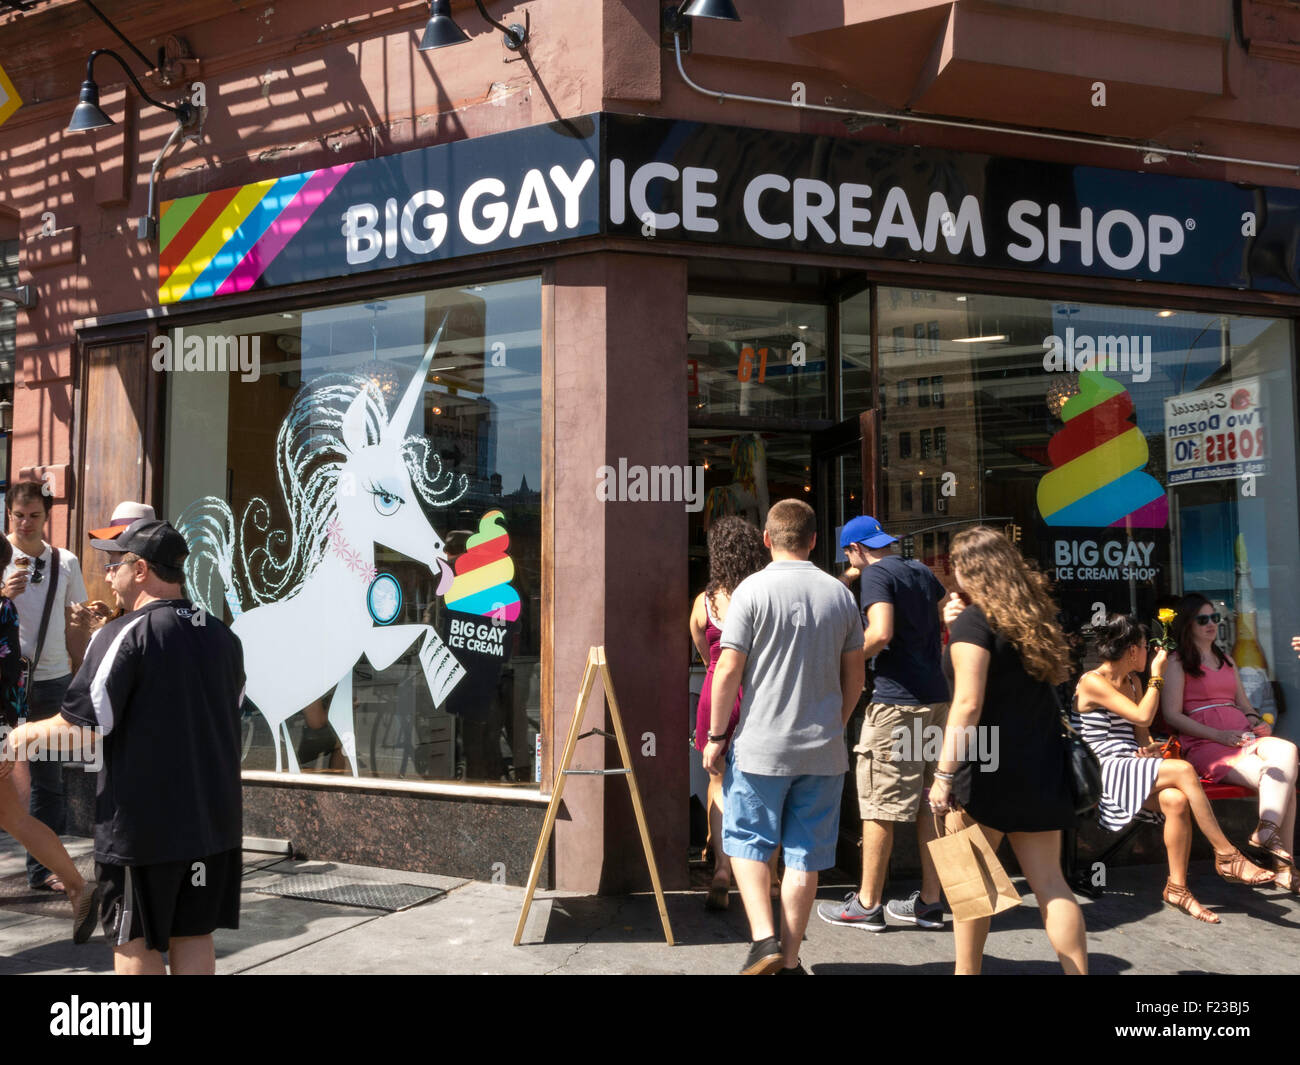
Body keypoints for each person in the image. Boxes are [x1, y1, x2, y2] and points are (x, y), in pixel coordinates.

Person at [8, 517, 245, 974]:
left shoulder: (122, 634)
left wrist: (21, 736)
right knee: (193, 933)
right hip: (212, 821)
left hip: (143, 828)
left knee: (132, 939)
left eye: (114, 563)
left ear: (140, 570)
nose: (108, 574)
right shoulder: (223, 637)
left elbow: (83, 728)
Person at [703, 499, 864, 975]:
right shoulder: (840, 595)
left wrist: (716, 735)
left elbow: (728, 667)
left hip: (761, 748)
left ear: (768, 540)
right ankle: (791, 958)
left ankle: (763, 940)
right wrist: (838, 720)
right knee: (804, 856)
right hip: (823, 750)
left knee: (749, 842)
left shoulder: (750, 591)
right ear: (814, 540)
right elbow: (855, 674)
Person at [929, 526, 1087, 975]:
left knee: (970, 885)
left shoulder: (974, 623)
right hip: (1039, 763)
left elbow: (968, 701)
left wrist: (943, 775)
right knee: (1052, 886)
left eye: (954, 564)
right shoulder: (1031, 618)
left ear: (968, 569)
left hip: (983, 768)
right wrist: (953, 625)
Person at [1076, 614, 1274, 923]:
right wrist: (1158, 675)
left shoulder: (1133, 681)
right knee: (1182, 770)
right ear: (1131, 650)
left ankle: (1177, 887)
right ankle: (1227, 855)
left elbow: (1141, 734)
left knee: (1176, 800)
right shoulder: (1093, 681)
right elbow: (1142, 717)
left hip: (1130, 762)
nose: (1152, 653)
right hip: (1103, 769)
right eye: (1145, 647)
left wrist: (1151, 748)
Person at [819, 515, 950, 934]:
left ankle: (867, 903)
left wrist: (843, 659)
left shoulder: (876, 577)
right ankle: (930, 903)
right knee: (931, 803)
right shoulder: (918, 571)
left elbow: (880, 632)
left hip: (896, 705)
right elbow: (943, 616)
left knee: (878, 806)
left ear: (855, 550)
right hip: (935, 699)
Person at [1161, 594, 1300, 890]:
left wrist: (1255, 721)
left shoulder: (1226, 660)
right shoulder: (1177, 662)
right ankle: (1285, 868)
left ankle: (1266, 829)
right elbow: (1172, 715)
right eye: (1203, 619)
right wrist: (1217, 735)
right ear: (1188, 624)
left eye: (1215, 618)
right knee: (1281, 782)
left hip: (1241, 735)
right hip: (1206, 744)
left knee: (1287, 751)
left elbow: (1244, 704)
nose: (1212, 624)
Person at [4, 480, 96, 892]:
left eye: (34, 516)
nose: (26, 523)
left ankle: (44, 870)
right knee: (9, 786)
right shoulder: (1, 555)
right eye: (19, 515)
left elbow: (76, 616)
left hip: (51, 679)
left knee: (48, 780)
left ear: (47, 517)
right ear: (9, 514)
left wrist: (85, 634)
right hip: (5, 686)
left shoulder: (66, 561)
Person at [689, 515, 769, 911]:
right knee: (764, 785)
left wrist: (716, 668)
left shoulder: (704, 602)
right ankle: (767, 874)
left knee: (718, 783)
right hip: (757, 694)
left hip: (716, 693)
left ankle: (721, 870)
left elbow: (704, 651)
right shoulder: (762, 595)